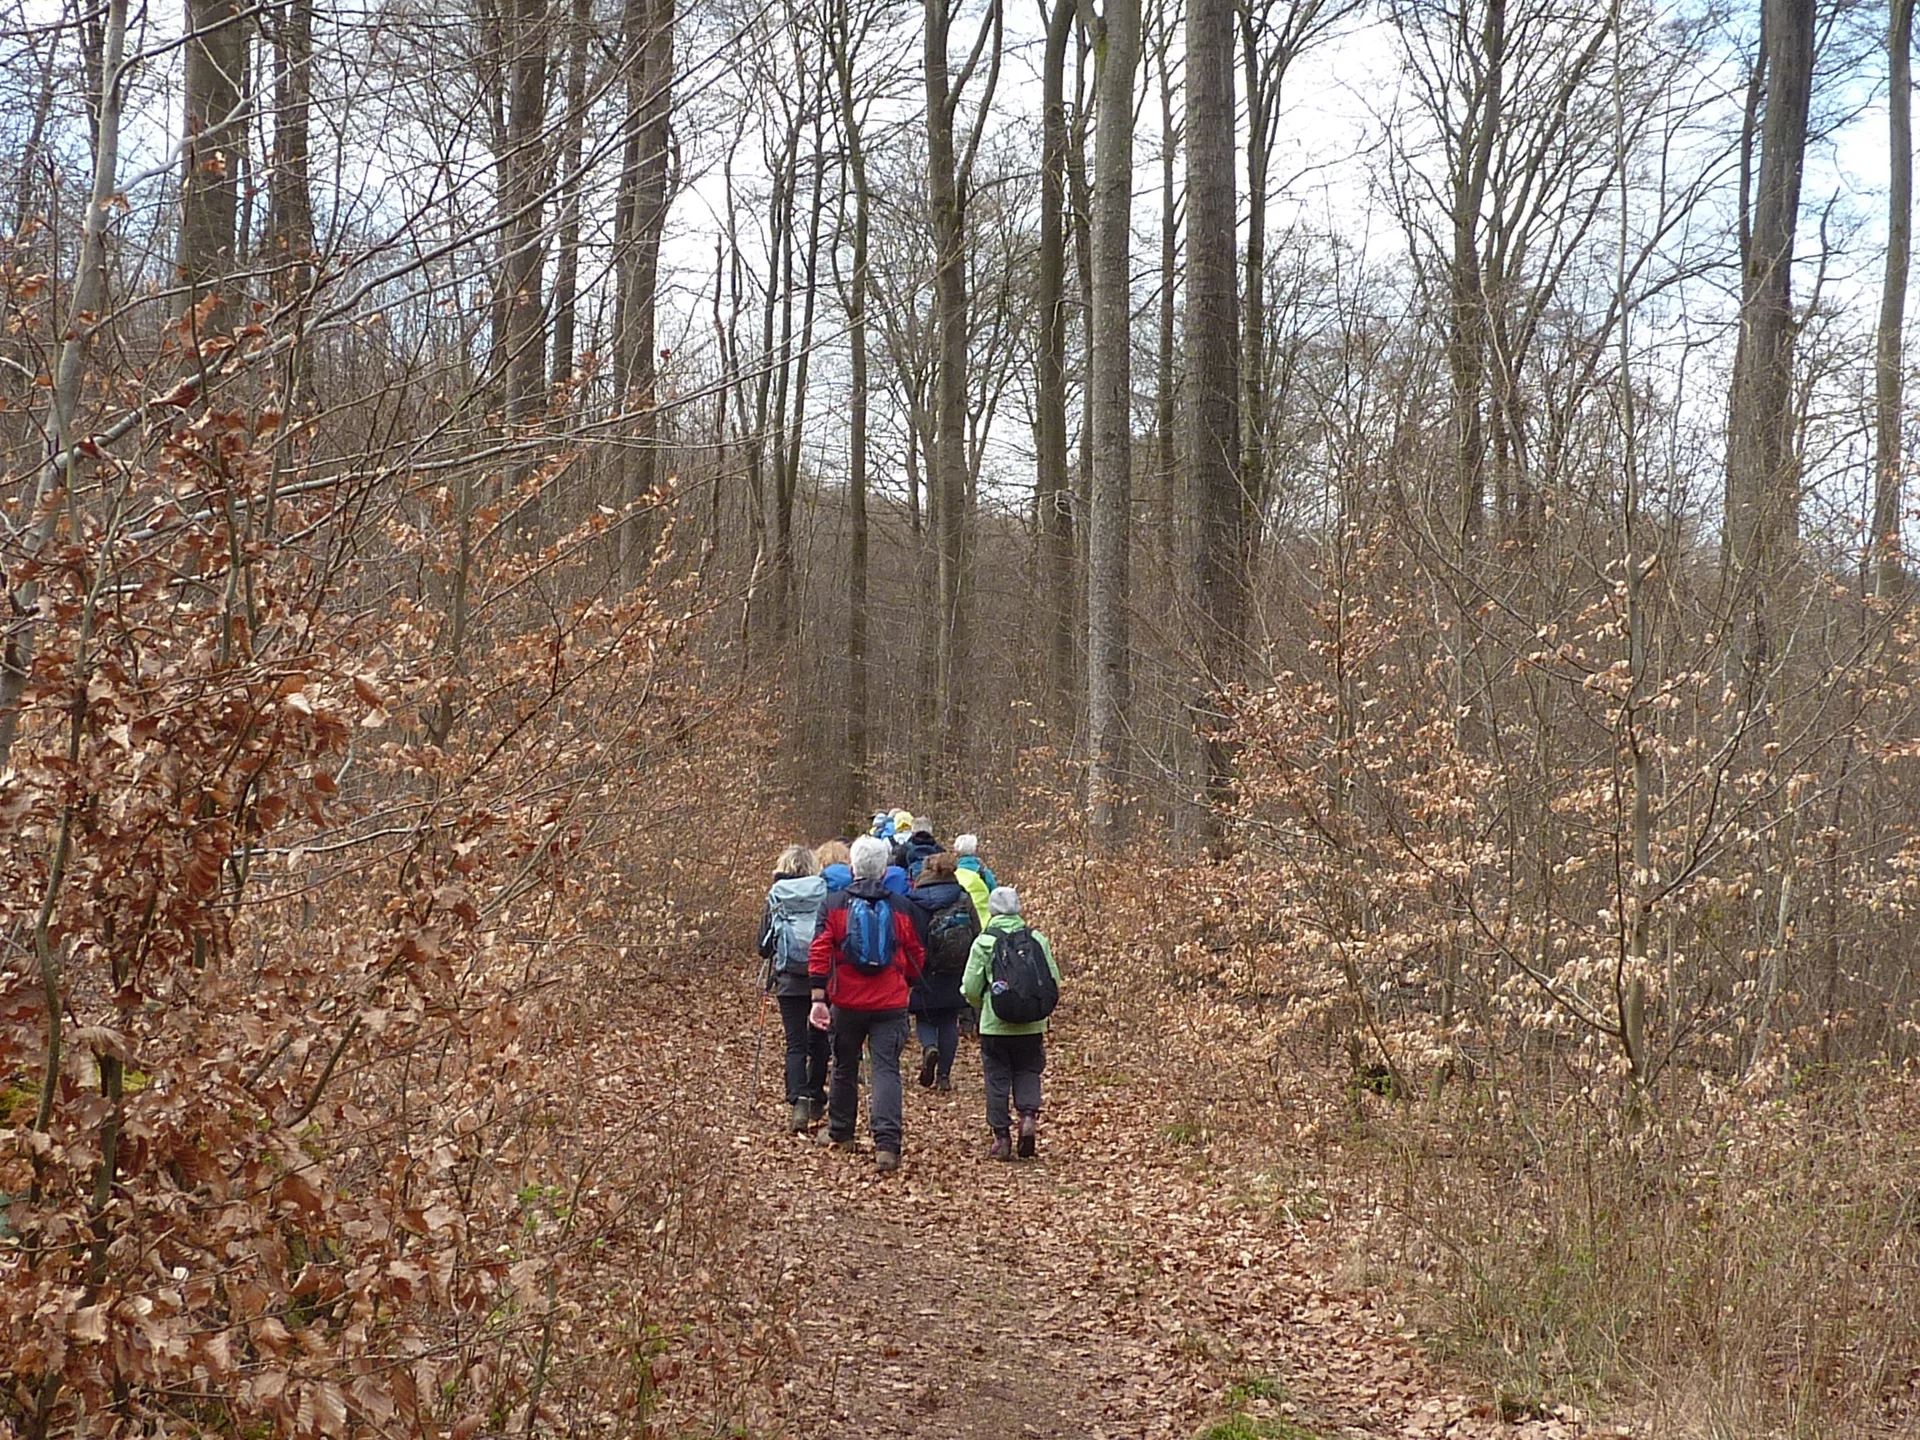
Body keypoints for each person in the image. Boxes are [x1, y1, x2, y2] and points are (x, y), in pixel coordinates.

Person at [808, 835, 927, 1171]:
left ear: (852, 868)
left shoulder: (833, 904)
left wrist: (819, 997)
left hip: (846, 1001)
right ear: (885, 868)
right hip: (890, 1002)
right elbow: (918, 953)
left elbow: (819, 951)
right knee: (886, 1069)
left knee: (845, 1065)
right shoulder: (903, 907)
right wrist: (907, 984)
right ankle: (887, 1146)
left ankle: (841, 1132)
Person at [961, 887, 1062, 1161]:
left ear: (992, 911)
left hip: (995, 1025)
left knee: (997, 1077)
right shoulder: (1036, 938)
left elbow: (970, 987)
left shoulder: (985, 941)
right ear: (1018, 909)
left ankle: (1001, 1137)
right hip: (1032, 1024)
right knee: (1029, 1070)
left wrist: (981, 1005)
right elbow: (1054, 979)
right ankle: (1028, 1116)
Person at [758, 845, 830, 1133]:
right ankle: (815, 1094)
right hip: (821, 980)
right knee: (820, 1040)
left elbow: (762, 946)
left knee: (796, 1043)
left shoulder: (776, 895)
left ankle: (797, 1097)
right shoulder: (825, 892)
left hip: (788, 979)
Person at [908, 852, 979, 1090]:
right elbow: (976, 934)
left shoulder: (915, 900)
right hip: (954, 969)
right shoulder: (963, 897)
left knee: (925, 1017)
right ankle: (944, 1077)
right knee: (948, 1021)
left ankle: (929, 1047)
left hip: (924, 969)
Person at [951, 833, 993, 919]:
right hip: (984, 920)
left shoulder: (952, 873)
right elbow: (995, 895)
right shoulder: (984, 873)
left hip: (962, 920)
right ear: (974, 850)